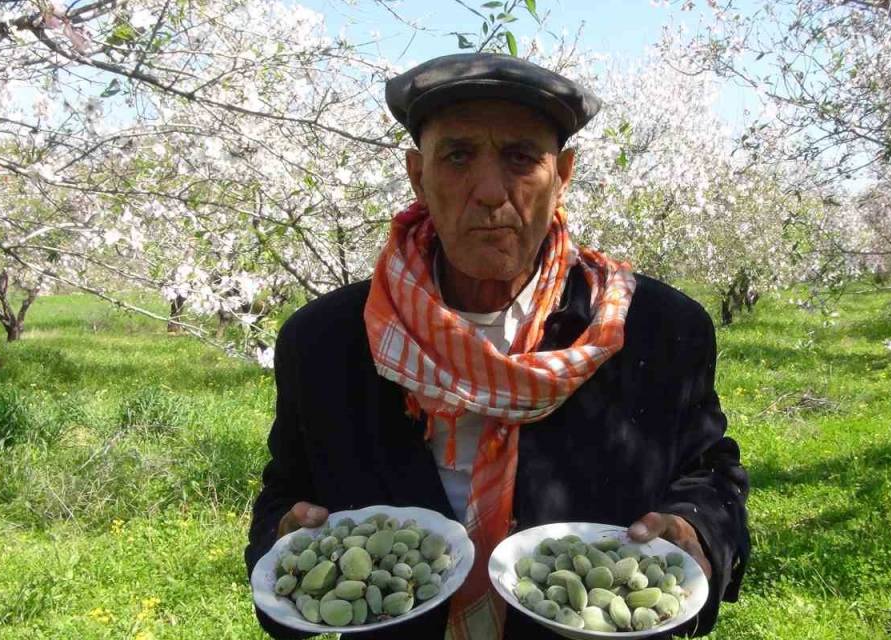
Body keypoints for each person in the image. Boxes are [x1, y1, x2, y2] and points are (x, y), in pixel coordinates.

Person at [245, 52, 750, 639]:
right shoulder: (326, 341)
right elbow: (286, 490)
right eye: (457, 156)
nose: (489, 191)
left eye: (520, 158)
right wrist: (285, 546)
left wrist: (695, 533)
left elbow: (709, 473)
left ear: (561, 176)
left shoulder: (658, 331)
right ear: (417, 175)